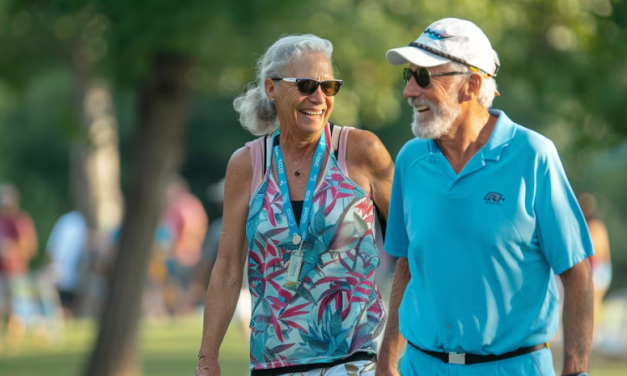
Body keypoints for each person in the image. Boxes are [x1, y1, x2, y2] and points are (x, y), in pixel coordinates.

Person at [377, 18, 594, 376]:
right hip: (421, 366)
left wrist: (575, 370)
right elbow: (407, 266)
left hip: (514, 367)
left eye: (425, 77)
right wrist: (386, 361)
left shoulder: (534, 155)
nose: (410, 91)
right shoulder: (410, 160)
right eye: (409, 76)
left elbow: (577, 271)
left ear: (472, 84)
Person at [195, 34, 394, 376]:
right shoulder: (248, 165)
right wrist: (207, 360)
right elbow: (227, 268)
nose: (318, 97)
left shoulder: (361, 152)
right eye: (305, 85)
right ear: (271, 89)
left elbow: (410, 250)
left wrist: (391, 354)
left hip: (354, 362)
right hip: (272, 364)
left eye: (328, 86)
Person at [0, 184, 39, 343]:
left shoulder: (21, 220)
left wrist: (10, 248)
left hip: (16, 271)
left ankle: (16, 341)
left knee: (19, 310)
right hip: (2, 272)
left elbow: (31, 247)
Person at [577, 193, 612, 331]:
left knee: (593, 301)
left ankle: (592, 330)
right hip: (596, 268)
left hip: (598, 268)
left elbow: (596, 254)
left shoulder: (595, 227)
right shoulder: (591, 227)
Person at [45, 210, 88, 318]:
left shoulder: (67, 223)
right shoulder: (74, 224)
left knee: (64, 303)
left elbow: (53, 248)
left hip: (66, 274)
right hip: (66, 274)